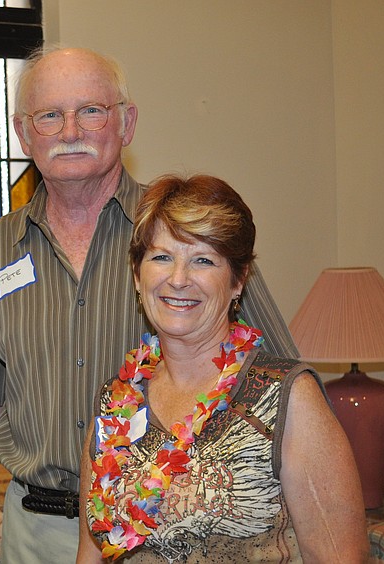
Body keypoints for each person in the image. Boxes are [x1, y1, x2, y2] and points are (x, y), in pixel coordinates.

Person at [0, 47, 300, 563]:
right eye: (49, 114)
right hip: (33, 526)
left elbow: (279, 385)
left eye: (91, 110)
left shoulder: (184, 231)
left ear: (127, 122)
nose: (70, 130)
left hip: (168, 526)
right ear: (23, 132)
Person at [76, 174, 368, 562]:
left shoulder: (287, 397)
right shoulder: (114, 403)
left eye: (203, 260)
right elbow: (91, 551)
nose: (178, 279)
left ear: (238, 281)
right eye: (161, 257)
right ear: (137, 274)